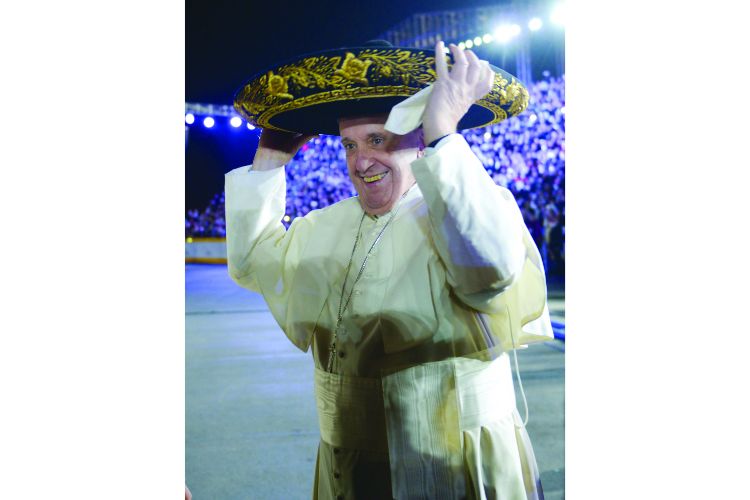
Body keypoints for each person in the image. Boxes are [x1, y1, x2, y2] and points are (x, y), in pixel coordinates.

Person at [226, 40, 553, 499]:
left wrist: (444, 131)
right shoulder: (328, 223)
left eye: (377, 140)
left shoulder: (473, 206)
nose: (360, 163)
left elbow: (489, 271)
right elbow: (252, 265)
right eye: (349, 145)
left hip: (456, 460)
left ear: (420, 142)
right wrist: (269, 160)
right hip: (352, 467)